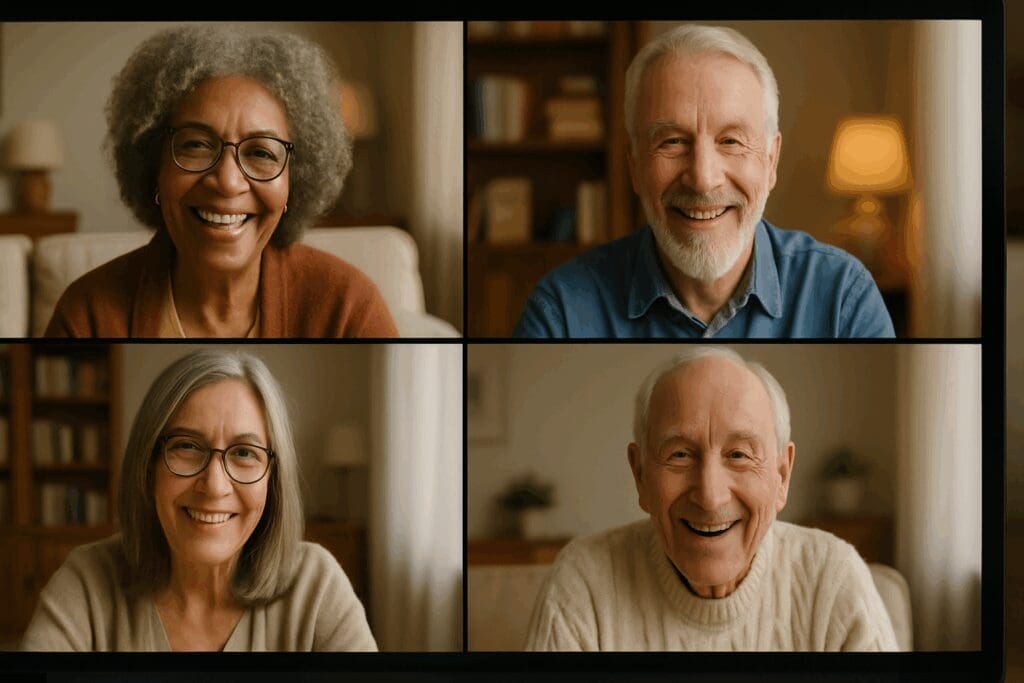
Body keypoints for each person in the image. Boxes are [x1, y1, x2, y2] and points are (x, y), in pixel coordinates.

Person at [514, 24, 895, 338]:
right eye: (672, 142)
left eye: (731, 141)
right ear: (633, 164)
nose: (702, 179)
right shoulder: (561, 312)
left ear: (771, 160)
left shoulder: (844, 298)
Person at [525, 347, 898, 651]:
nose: (710, 495)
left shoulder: (832, 580)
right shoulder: (582, 584)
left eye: (738, 455)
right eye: (680, 455)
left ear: (781, 475)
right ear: (640, 475)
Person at [45, 25, 398, 338]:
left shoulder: (349, 309)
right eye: (196, 145)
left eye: (261, 153)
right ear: (155, 166)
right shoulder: (87, 314)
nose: (228, 182)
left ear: (295, 180)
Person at [20, 350, 377, 651]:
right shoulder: (86, 582)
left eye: (244, 452)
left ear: (273, 477)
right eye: (187, 447)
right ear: (148, 464)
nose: (214, 485)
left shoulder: (316, 586)